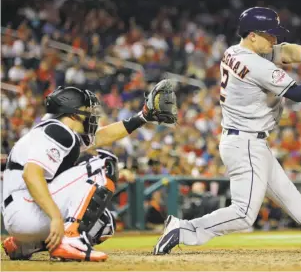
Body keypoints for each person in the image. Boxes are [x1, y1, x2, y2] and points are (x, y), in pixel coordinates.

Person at [153, 7, 301, 255]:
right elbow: (297, 93)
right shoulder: (256, 64)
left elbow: (286, 50)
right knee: (244, 214)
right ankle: (183, 229)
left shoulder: (235, 51)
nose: (274, 39)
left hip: (246, 140)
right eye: (269, 35)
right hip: (245, 142)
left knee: (287, 192)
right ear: (252, 35)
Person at [2, 80, 177, 262]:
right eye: (88, 110)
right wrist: (55, 216)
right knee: (104, 164)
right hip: (25, 208)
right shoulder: (57, 131)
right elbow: (31, 175)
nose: (93, 114)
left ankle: (25, 245)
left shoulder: (60, 132)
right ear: (74, 113)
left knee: (103, 223)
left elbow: (101, 136)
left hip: (24, 211)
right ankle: (70, 239)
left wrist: (142, 117)